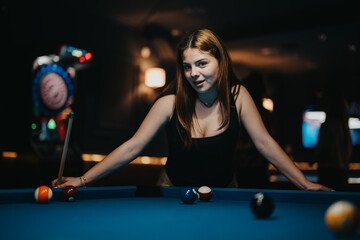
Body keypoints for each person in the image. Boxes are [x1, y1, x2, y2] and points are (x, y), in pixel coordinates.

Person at [52, 29, 332, 191]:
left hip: (225, 191)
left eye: (202, 63)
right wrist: (82, 179)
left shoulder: (238, 96)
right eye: (187, 66)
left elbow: (265, 143)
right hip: (172, 190)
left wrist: (304, 184)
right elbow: (131, 147)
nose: (193, 73)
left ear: (220, 62)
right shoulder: (169, 103)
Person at [316, 89, 352, 191]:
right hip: (342, 172)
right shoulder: (343, 125)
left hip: (329, 172)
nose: (323, 105)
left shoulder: (328, 125)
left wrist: (312, 158)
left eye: (325, 102)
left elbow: (326, 151)